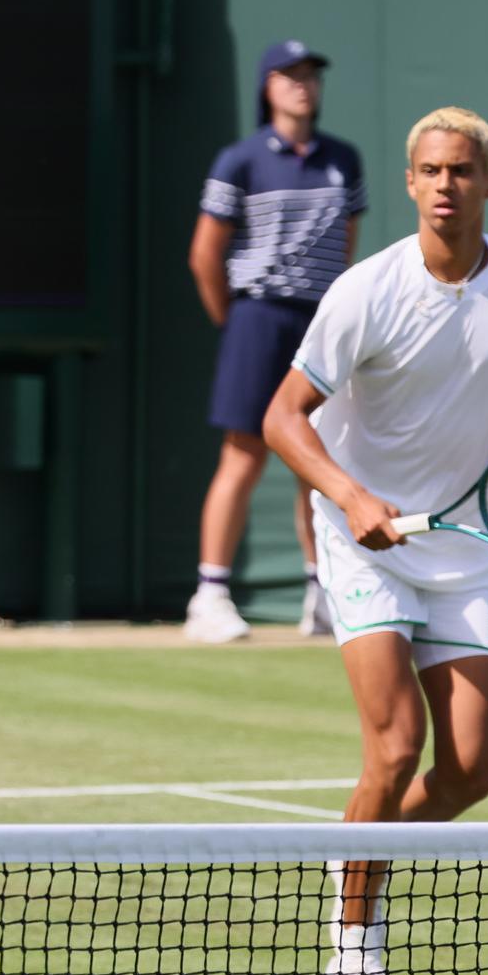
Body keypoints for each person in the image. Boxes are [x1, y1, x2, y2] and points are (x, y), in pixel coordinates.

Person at [262, 107, 488, 975]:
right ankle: (352, 956)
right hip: (367, 544)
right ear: (411, 184)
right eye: (431, 171)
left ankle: (361, 848)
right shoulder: (365, 291)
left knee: (469, 774)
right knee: (395, 750)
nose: (446, 185)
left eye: (463, 171)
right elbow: (284, 417)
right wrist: (353, 500)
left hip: (471, 546)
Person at [186, 40, 367, 642]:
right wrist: (234, 323)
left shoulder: (344, 159)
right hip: (256, 319)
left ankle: (323, 594)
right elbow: (205, 254)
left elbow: (347, 245)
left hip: (320, 322)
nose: (303, 85)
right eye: (290, 75)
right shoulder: (239, 160)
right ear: (267, 87)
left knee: (316, 463)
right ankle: (209, 596)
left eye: (311, 75)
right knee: (243, 455)